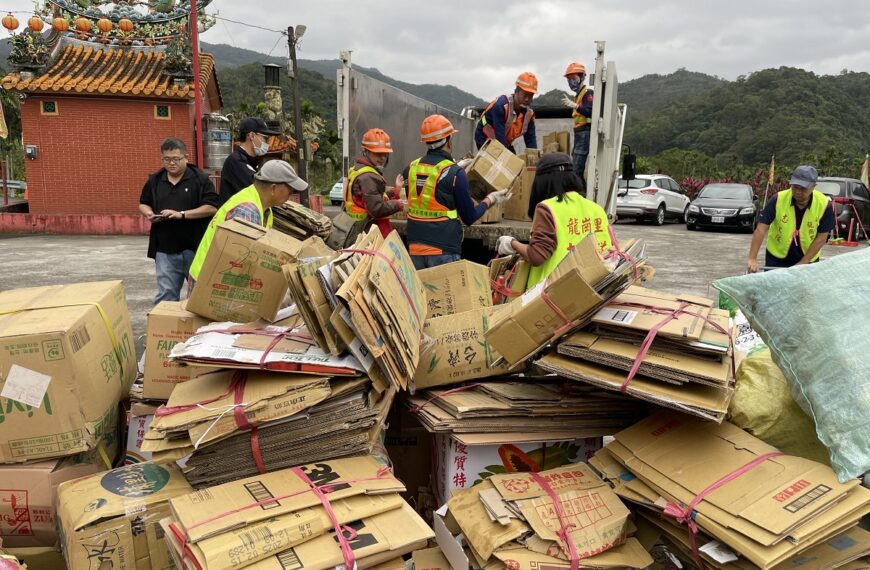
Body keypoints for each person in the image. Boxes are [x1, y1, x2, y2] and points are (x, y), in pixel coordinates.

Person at [404, 114, 512, 270]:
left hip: (414, 248)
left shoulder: (411, 168)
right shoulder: (455, 174)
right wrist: (490, 199)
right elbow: (469, 217)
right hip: (443, 250)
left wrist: (455, 166)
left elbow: (424, 195)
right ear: (448, 140)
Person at [496, 153, 612, 289]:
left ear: (542, 182)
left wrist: (511, 243)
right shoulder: (596, 208)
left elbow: (537, 256)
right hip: (591, 288)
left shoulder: (547, 208)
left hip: (553, 294)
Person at [189, 160, 308, 282]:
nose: (291, 195)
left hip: (216, 276)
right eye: (290, 190)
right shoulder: (247, 211)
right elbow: (241, 258)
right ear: (273, 188)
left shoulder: (264, 206)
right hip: (208, 279)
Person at [139, 138, 218, 304]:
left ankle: (198, 329)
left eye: (176, 159)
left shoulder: (200, 179)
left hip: (195, 247)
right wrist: (149, 213)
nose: (171, 163)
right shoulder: (155, 179)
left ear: (186, 157)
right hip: (165, 248)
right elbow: (143, 203)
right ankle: (164, 328)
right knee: (166, 294)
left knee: (198, 294)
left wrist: (181, 214)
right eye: (166, 159)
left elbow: (212, 207)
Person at [747, 165, 834, 272]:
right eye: (795, 187)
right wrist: (752, 258)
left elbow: (821, 237)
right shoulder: (778, 199)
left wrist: (804, 262)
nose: (798, 192)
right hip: (777, 257)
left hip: (808, 257)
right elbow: (761, 229)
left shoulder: (824, 205)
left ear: (813, 186)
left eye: (803, 189)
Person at [345, 128, 404, 237]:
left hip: (360, 231)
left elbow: (374, 197)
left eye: (385, 154)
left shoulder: (358, 170)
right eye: (377, 153)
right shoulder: (368, 177)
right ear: (366, 152)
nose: (382, 158)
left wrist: (395, 191)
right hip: (370, 233)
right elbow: (376, 209)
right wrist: (400, 204)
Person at [218, 117, 280, 206]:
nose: (267, 144)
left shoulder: (251, 161)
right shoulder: (236, 162)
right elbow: (260, 190)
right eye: (265, 138)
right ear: (251, 136)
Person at [474, 72, 538, 153]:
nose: (527, 99)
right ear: (517, 91)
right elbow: (499, 137)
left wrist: (534, 157)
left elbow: (531, 139)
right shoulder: (501, 105)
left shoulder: (529, 114)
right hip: (484, 137)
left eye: (531, 95)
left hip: (504, 140)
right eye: (525, 94)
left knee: (513, 162)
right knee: (497, 162)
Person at [560, 62, 594, 179]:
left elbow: (590, 111)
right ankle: (581, 193)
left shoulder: (587, 93)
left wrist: (574, 105)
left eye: (573, 78)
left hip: (585, 133)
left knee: (576, 171)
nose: (571, 82)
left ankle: (581, 194)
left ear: (582, 77)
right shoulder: (578, 95)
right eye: (569, 79)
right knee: (575, 170)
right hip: (580, 133)